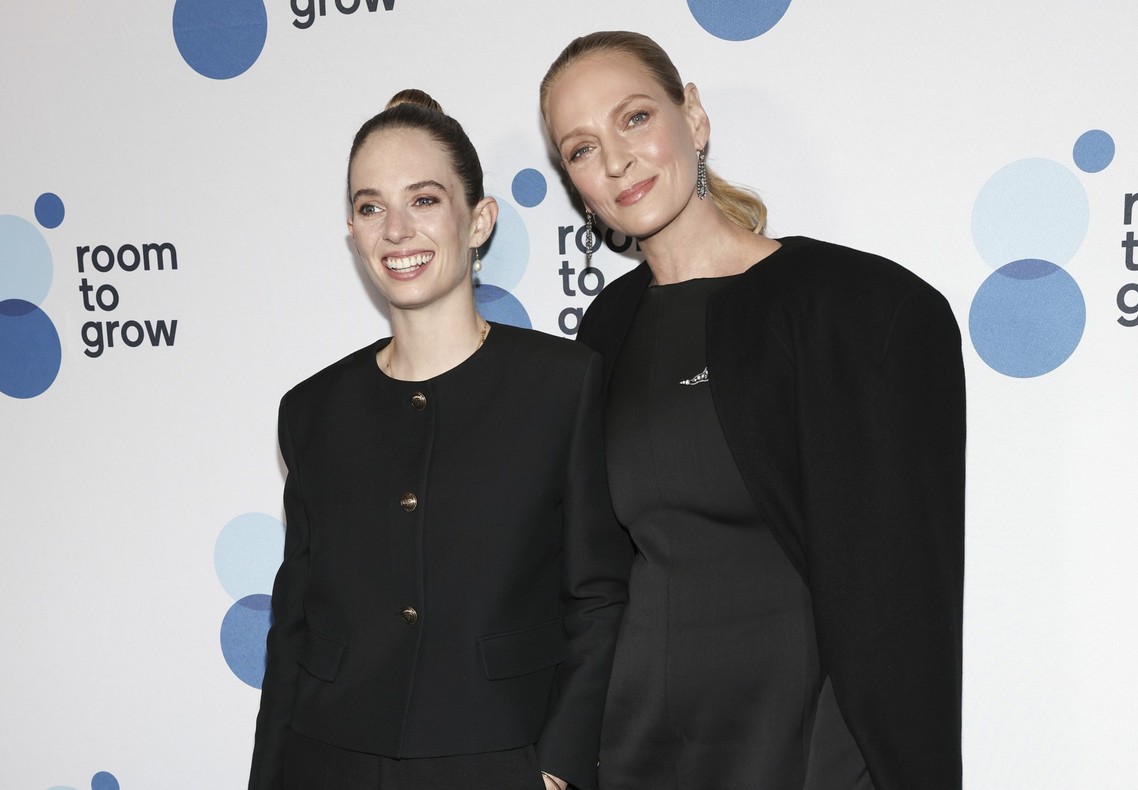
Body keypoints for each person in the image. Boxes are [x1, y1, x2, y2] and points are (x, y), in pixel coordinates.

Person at [540, 32, 966, 789]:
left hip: (802, 754)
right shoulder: (603, 333)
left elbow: (901, 602)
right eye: (581, 148)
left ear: (693, 116)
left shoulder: (860, 310)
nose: (614, 160)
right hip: (640, 747)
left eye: (634, 118)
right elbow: (598, 577)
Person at [249, 89, 630, 790]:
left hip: (500, 755)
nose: (396, 230)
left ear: (478, 219)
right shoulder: (312, 410)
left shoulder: (560, 385)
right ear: (353, 230)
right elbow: (294, 624)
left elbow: (599, 595)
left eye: (423, 200)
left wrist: (557, 768)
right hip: (327, 759)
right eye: (371, 207)